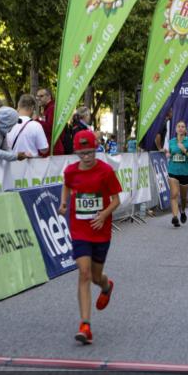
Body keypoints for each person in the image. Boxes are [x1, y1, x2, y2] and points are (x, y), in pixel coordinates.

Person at [58, 130, 121, 345]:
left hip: (101, 231)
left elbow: (116, 200)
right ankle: (85, 325)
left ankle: (106, 286)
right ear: (76, 152)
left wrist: (103, 215)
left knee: (95, 276)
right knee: (83, 273)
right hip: (80, 230)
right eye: (82, 153)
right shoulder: (70, 171)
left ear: (96, 150)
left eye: (90, 152)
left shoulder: (105, 171)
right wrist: (64, 203)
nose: (87, 157)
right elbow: (67, 184)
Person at [165, 120, 188, 228]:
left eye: (183, 126)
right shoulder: (171, 141)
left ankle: (182, 211)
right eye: (178, 126)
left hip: (185, 172)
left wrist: (184, 151)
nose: (180, 128)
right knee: (174, 194)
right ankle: (175, 217)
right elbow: (170, 153)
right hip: (173, 170)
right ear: (175, 129)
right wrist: (167, 153)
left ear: (185, 129)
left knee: (183, 197)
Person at [8, 93, 49, 157]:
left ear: (19, 106)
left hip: (11, 164)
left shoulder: (8, 124)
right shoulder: (36, 126)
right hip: (31, 164)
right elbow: (44, 150)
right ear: (32, 108)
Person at [35, 87, 67, 155]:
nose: (38, 99)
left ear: (49, 96)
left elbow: (51, 128)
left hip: (54, 149)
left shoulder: (52, 108)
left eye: (41, 96)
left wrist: (36, 120)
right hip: (52, 148)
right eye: (37, 96)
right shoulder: (48, 108)